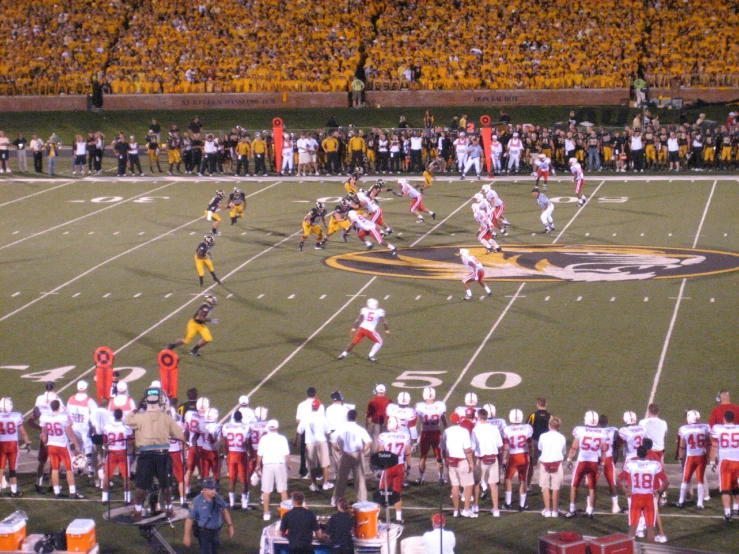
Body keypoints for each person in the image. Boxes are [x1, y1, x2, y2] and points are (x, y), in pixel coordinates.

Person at [124, 387, 185, 520]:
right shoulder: (166, 418)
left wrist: (137, 407)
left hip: (146, 456)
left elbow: (127, 420)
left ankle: (138, 511)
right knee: (166, 485)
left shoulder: (139, 418)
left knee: (141, 486)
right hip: (162, 455)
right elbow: (179, 433)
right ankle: (169, 510)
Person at [618, 446, 668, 543]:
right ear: (646, 454)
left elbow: (618, 480)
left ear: (637, 454)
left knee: (632, 529)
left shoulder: (631, 464)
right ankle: (650, 550)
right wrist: (658, 491)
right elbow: (666, 482)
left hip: (636, 497)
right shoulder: (654, 464)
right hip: (649, 498)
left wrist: (626, 491)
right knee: (650, 530)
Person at [565, 410, 607, 519]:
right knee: (592, 488)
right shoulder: (602, 432)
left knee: (574, 486)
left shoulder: (580, 430)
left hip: (582, 462)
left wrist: (569, 459)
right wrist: (602, 463)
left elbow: (574, 447)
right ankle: (591, 512)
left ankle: (572, 510)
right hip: (593, 462)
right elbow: (604, 450)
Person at [40, 399, 84, 499]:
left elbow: (44, 434)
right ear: (59, 406)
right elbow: (71, 434)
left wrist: (45, 444)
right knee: (69, 469)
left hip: (51, 445)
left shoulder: (45, 417)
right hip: (62, 445)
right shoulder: (63, 417)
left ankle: (56, 492)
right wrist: (77, 446)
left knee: (55, 468)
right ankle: (72, 492)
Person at [183, 476, 234, 554]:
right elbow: (189, 519)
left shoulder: (217, 497)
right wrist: (187, 536)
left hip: (216, 532)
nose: (214, 491)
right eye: (211, 489)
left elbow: (224, 511)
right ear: (204, 489)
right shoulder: (196, 501)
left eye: (214, 488)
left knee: (215, 551)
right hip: (204, 533)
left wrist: (230, 525)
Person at [331, 409, 371, 506]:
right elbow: (368, 442)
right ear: (356, 418)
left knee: (341, 479)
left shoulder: (341, 428)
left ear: (347, 417)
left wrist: (338, 450)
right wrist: (364, 450)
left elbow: (332, 441)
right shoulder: (360, 429)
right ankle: (362, 500)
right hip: (357, 455)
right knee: (360, 479)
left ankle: (336, 500)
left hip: (345, 455)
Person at [378, 416, 411, 523]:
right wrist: (409, 466)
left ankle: (376, 516)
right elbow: (408, 453)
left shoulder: (383, 436)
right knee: (397, 493)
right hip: (400, 466)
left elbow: (381, 452)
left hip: (388, 466)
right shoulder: (405, 436)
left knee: (382, 492)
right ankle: (398, 517)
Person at [442, 413, 475, 518]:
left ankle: (456, 510)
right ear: (460, 421)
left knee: (455, 486)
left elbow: (443, 448)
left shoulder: (447, 431)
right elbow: (468, 449)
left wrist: (445, 459)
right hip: (462, 460)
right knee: (468, 484)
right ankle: (466, 509)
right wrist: (471, 462)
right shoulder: (464, 431)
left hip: (451, 460)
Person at [675, 410, 710, 508]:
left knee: (685, 479)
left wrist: (681, 457)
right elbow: (708, 442)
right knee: (700, 480)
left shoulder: (684, 429)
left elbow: (681, 446)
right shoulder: (705, 427)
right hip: (701, 456)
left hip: (690, 457)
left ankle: (681, 501)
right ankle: (700, 502)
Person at [471, 408, 503, 516]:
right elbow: (500, 445)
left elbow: (473, 447)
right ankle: (495, 509)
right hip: (493, 458)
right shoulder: (494, 429)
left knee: (477, 483)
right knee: (493, 484)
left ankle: (475, 506)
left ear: (479, 417)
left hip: (481, 459)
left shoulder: (476, 430)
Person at [256, 419, 290, 521]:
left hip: (267, 466)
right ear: (277, 427)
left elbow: (259, 454)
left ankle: (266, 513)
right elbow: (286, 454)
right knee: (282, 490)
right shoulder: (282, 438)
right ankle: (285, 513)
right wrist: (289, 464)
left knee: (266, 491)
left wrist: (258, 465)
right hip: (280, 465)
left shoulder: (264, 439)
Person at [709, 410, 739, 522]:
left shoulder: (718, 428)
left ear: (724, 419)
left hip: (725, 462)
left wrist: (712, 461)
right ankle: (736, 509)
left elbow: (714, 446)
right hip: (738, 461)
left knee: (725, 489)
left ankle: (727, 513)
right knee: (736, 486)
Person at [297, 398, 333, 491]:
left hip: (309, 443)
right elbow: (328, 431)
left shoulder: (306, 417)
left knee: (311, 465)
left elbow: (299, 430)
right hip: (321, 442)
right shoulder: (322, 417)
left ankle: (314, 484)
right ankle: (325, 483)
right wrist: (331, 440)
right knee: (324, 464)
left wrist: (295, 441)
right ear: (319, 407)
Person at [501, 408, 533, 511]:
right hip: (524, 455)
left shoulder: (507, 429)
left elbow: (505, 447)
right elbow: (530, 444)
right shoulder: (527, 428)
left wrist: (503, 460)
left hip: (513, 456)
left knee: (508, 479)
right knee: (523, 480)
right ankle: (522, 505)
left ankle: (508, 503)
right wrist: (531, 455)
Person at [415, 386, 447, 485]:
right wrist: (446, 429)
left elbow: (416, 421)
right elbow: (443, 420)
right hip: (436, 433)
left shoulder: (420, 406)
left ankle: (421, 477)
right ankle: (440, 478)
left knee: (423, 456)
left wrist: (415, 435)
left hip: (425, 432)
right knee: (439, 456)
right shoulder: (440, 405)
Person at [0, 397, 31, 497]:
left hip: (1, 444)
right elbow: (23, 432)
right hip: (12, 445)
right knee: (12, 469)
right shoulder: (16, 416)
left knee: (0, 468)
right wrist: (27, 443)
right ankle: (14, 491)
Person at [102, 408, 133, 504]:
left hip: (111, 452)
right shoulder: (126, 427)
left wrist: (104, 456)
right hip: (122, 452)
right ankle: (127, 498)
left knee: (107, 476)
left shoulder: (107, 427)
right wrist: (131, 454)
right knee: (126, 477)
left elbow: (105, 443)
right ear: (122, 416)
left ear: (113, 415)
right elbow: (131, 443)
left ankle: (105, 498)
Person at [221, 410, 251, 510]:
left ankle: (232, 503)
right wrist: (249, 453)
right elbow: (247, 443)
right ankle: (244, 505)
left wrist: (225, 454)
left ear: (233, 418)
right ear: (241, 418)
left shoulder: (227, 426)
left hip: (231, 454)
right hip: (241, 454)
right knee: (243, 481)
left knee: (232, 480)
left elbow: (224, 443)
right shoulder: (245, 427)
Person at [537, 416, 566, 518]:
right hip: (557, 464)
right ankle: (554, 511)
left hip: (545, 463)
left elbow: (540, 448)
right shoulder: (562, 437)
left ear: (549, 425)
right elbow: (563, 452)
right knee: (556, 488)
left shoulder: (543, 436)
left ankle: (548, 510)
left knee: (545, 487)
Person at [526, 398, 551, 493]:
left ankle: (528, 484)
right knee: (546, 464)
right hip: (546, 443)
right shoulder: (550, 416)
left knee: (531, 464)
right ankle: (544, 485)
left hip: (535, 442)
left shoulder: (533, 415)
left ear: (537, 405)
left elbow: (527, 429)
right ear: (546, 404)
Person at [366, 385, 390, 454]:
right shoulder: (389, 401)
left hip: (376, 423)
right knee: (385, 442)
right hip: (386, 424)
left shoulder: (372, 401)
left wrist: (367, 426)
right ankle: (384, 460)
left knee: (375, 443)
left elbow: (369, 417)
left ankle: (374, 462)